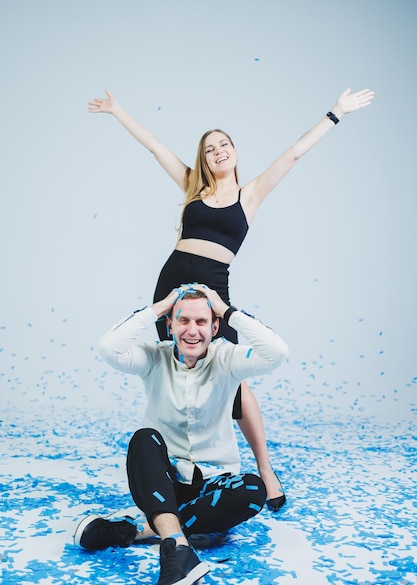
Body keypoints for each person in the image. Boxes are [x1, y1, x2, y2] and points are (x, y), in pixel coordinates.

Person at [87, 86, 374, 509]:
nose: (217, 151)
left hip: (212, 289)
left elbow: (293, 154)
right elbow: (154, 146)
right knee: (174, 373)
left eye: (223, 145)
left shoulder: (251, 194)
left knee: (231, 382)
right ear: (203, 160)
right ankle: (178, 469)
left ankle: (265, 467)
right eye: (209, 149)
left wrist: (337, 112)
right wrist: (116, 110)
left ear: (235, 153)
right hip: (171, 286)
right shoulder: (191, 186)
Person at [74, 283, 289, 585]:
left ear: (215, 327)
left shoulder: (228, 358)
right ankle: (178, 547)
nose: (192, 330)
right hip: (163, 483)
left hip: (212, 487)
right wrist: (159, 307)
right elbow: (108, 348)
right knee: (144, 439)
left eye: (202, 322)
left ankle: (136, 530)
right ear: (170, 325)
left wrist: (226, 309)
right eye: (183, 321)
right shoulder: (153, 358)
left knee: (253, 490)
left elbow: (277, 352)